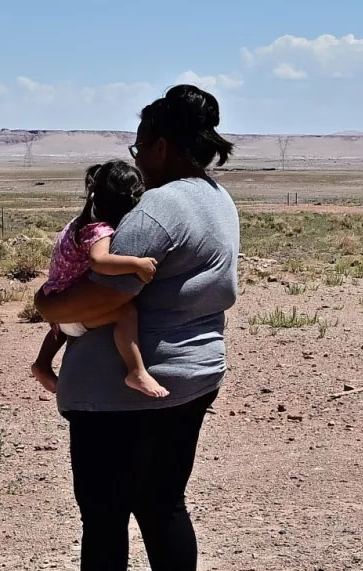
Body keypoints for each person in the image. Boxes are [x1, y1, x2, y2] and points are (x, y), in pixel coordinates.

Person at [34, 84, 240, 571]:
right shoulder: (217, 198)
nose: (138, 158)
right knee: (162, 504)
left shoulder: (161, 207)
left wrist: (47, 304)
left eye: (139, 146)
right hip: (194, 376)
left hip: (119, 401)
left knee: (104, 518)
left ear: (161, 146)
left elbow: (107, 292)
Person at [32, 160, 168, 399]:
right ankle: (135, 371)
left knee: (62, 326)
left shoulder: (79, 223)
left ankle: (42, 364)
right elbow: (99, 261)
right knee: (125, 314)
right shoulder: (100, 230)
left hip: (56, 297)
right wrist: (137, 264)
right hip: (70, 308)